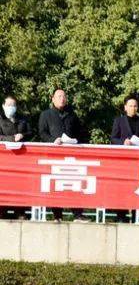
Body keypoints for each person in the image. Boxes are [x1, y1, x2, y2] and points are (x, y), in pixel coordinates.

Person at [37, 88, 88, 221]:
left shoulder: (72, 115)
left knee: (74, 185)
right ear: (53, 99)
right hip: (54, 155)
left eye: (64, 96)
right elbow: (42, 133)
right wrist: (53, 140)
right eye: (59, 96)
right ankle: (57, 215)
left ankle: (77, 214)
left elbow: (81, 132)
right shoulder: (46, 115)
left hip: (71, 157)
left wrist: (75, 140)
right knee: (56, 185)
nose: (62, 99)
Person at [0, 95, 32, 220]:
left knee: (20, 185)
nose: (11, 108)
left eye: (13, 105)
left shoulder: (23, 119)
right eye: (8, 105)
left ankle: (21, 211)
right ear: (3, 106)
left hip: (21, 159)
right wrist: (12, 138)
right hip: (4, 160)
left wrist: (22, 135)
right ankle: (2, 211)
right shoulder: (0, 119)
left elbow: (31, 133)